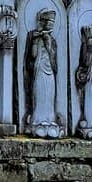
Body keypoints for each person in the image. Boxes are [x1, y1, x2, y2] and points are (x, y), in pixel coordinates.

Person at [24, 8, 60, 137]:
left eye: (53, 23)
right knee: (39, 93)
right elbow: (32, 56)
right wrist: (37, 40)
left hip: (49, 69)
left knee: (50, 94)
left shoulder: (52, 40)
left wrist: (48, 42)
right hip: (39, 69)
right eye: (49, 22)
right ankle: (37, 119)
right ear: (42, 22)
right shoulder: (34, 36)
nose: (51, 25)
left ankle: (50, 119)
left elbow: (53, 56)